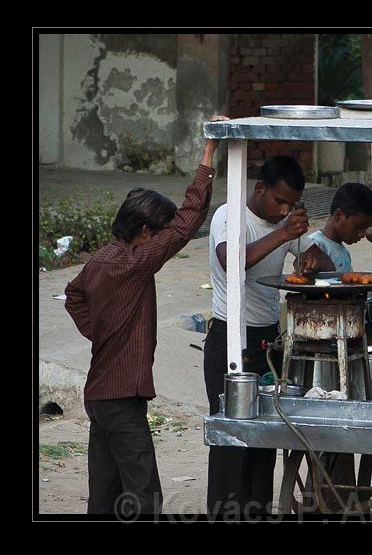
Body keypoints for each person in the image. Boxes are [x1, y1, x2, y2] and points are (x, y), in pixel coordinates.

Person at [64, 115, 227, 516]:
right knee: (143, 494)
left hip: (100, 394)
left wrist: (100, 331)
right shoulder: (135, 261)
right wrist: (208, 153)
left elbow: (72, 296)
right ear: (145, 232)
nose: (163, 240)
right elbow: (188, 223)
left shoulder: (101, 258)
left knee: (105, 493)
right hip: (120, 397)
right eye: (160, 233)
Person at [204, 154, 334, 518]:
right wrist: (283, 234)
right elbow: (232, 262)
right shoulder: (230, 216)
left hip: (268, 342)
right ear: (259, 188)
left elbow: (324, 262)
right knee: (231, 437)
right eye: (279, 201)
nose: (284, 210)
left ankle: (258, 512)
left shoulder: (282, 222)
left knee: (265, 438)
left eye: (291, 204)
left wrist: (310, 258)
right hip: (230, 338)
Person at [307, 182, 372, 272]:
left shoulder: (344, 252)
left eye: (366, 228)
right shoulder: (313, 245)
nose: (362, 234)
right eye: (359, 226)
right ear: (339, 216)